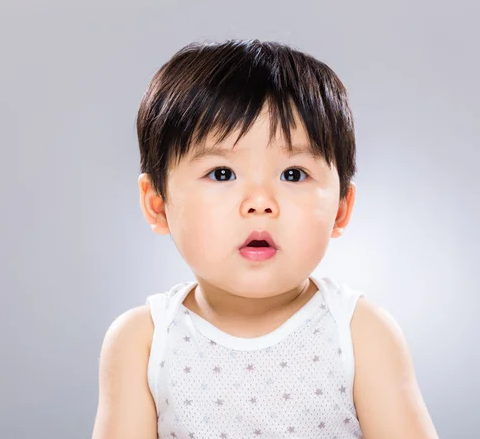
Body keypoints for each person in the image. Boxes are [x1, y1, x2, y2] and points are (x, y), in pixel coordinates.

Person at [92, 39, 439, 439]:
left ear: (341, 208)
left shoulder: (361, 334)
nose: (260, 203)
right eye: (222, 173)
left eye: (293, 174)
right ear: (157, 204)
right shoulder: (145, 342)